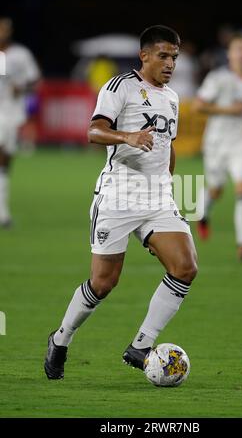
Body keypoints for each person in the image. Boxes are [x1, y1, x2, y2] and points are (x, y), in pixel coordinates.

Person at [44, 25, 198, 380]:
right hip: (117, 196)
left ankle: (142, 346)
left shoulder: (172, 97)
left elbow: (166, 144)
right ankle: (61, 338)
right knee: (103, 282)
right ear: (144, 56)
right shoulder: (120, 87)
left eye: (174, 56)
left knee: (185, 266)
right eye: (163, 55)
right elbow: (94, 130)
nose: (170, 63)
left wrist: (168, 181)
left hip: (157, 198)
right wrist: (127, 135)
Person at [193, 34, 242, 260]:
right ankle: (202, 214)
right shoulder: (218, 78)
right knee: (216, 189)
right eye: (239, 49)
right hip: (216, 142)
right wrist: (229, 111)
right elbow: (198, 106)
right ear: (230, 54)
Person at [0, 17, 40, 227]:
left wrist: (21, 87)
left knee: (5, 163)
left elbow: (34, 79)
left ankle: (3, 212)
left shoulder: (20, 54)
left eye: (6, 28)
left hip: (13, 114)